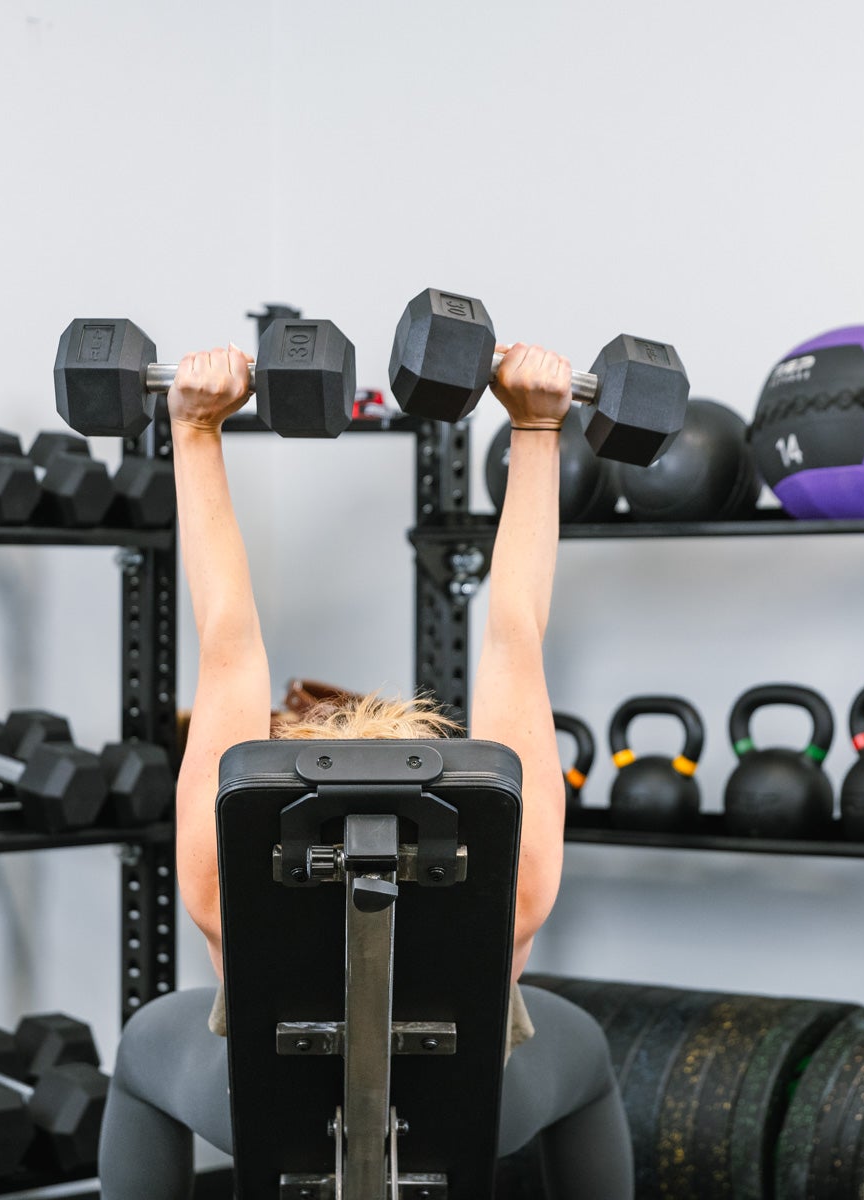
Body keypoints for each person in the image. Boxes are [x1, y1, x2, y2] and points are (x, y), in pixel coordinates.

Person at [98, 341, 633, 1200]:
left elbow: (228, 641)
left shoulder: (221, 870)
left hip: (263, 1115)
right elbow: (516, 633)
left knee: (144, 1042)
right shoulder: (513, 868)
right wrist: (537, 427)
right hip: (469, 1117)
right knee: (586, 1048)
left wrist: (194, 427)